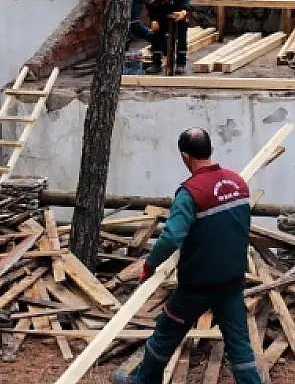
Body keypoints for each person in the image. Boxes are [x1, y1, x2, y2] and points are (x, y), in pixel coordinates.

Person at [111, 128, 262, 384]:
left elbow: (171, 237)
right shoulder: (238, 184)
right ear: (211, 150)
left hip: (197, 286)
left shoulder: (190, 193)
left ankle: (143, 382)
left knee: (164, 336)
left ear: (184, 156)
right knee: (240, 347)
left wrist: (149, 265)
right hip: (232, 282)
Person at [135, 0, 191, 73]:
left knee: (181, 36)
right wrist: (154, 21)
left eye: (149, 0)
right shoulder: (147, 0)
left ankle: (181, 64)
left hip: (178, 12)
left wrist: (184, 11)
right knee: (157, 36)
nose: (149, 3)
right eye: (147, 2)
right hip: (162, 15)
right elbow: (152, 11)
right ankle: (156, 63)